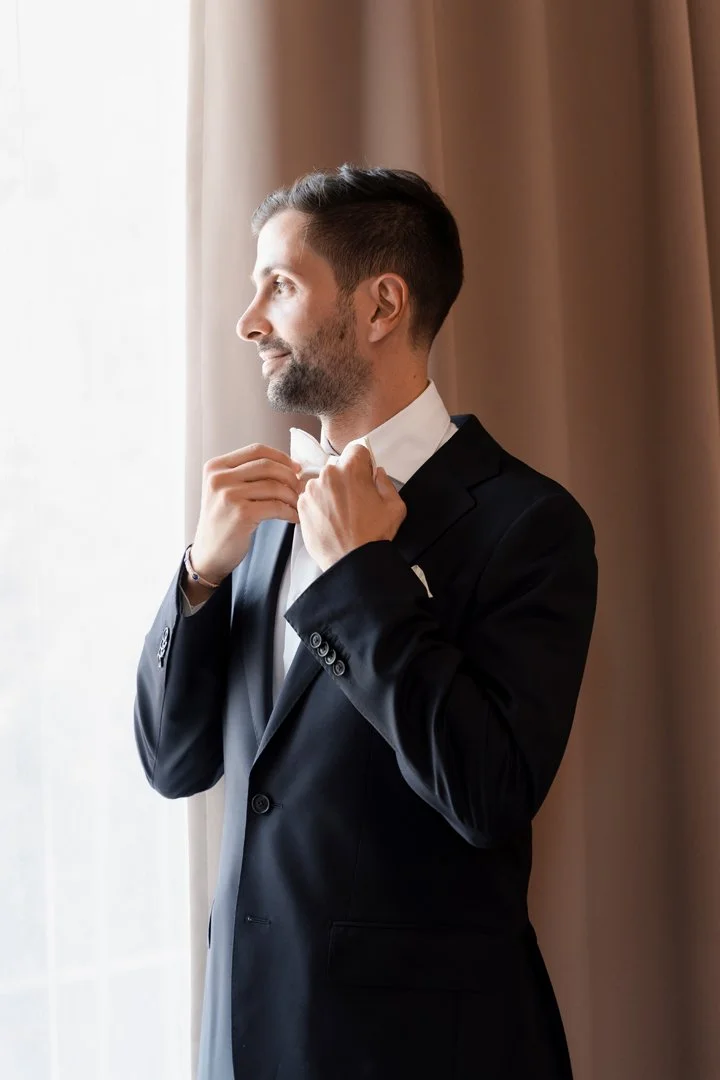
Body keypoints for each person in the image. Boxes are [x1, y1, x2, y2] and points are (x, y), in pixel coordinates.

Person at [134, 164, 598, 1080]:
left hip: (425, 1052)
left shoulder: (531, 526)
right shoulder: (259, 516)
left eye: (280, 285)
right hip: (242, 1038)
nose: (249, 321)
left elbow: (488, 794)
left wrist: (363, 577)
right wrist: (200, 577)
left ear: (382, 304)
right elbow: (173, 763)